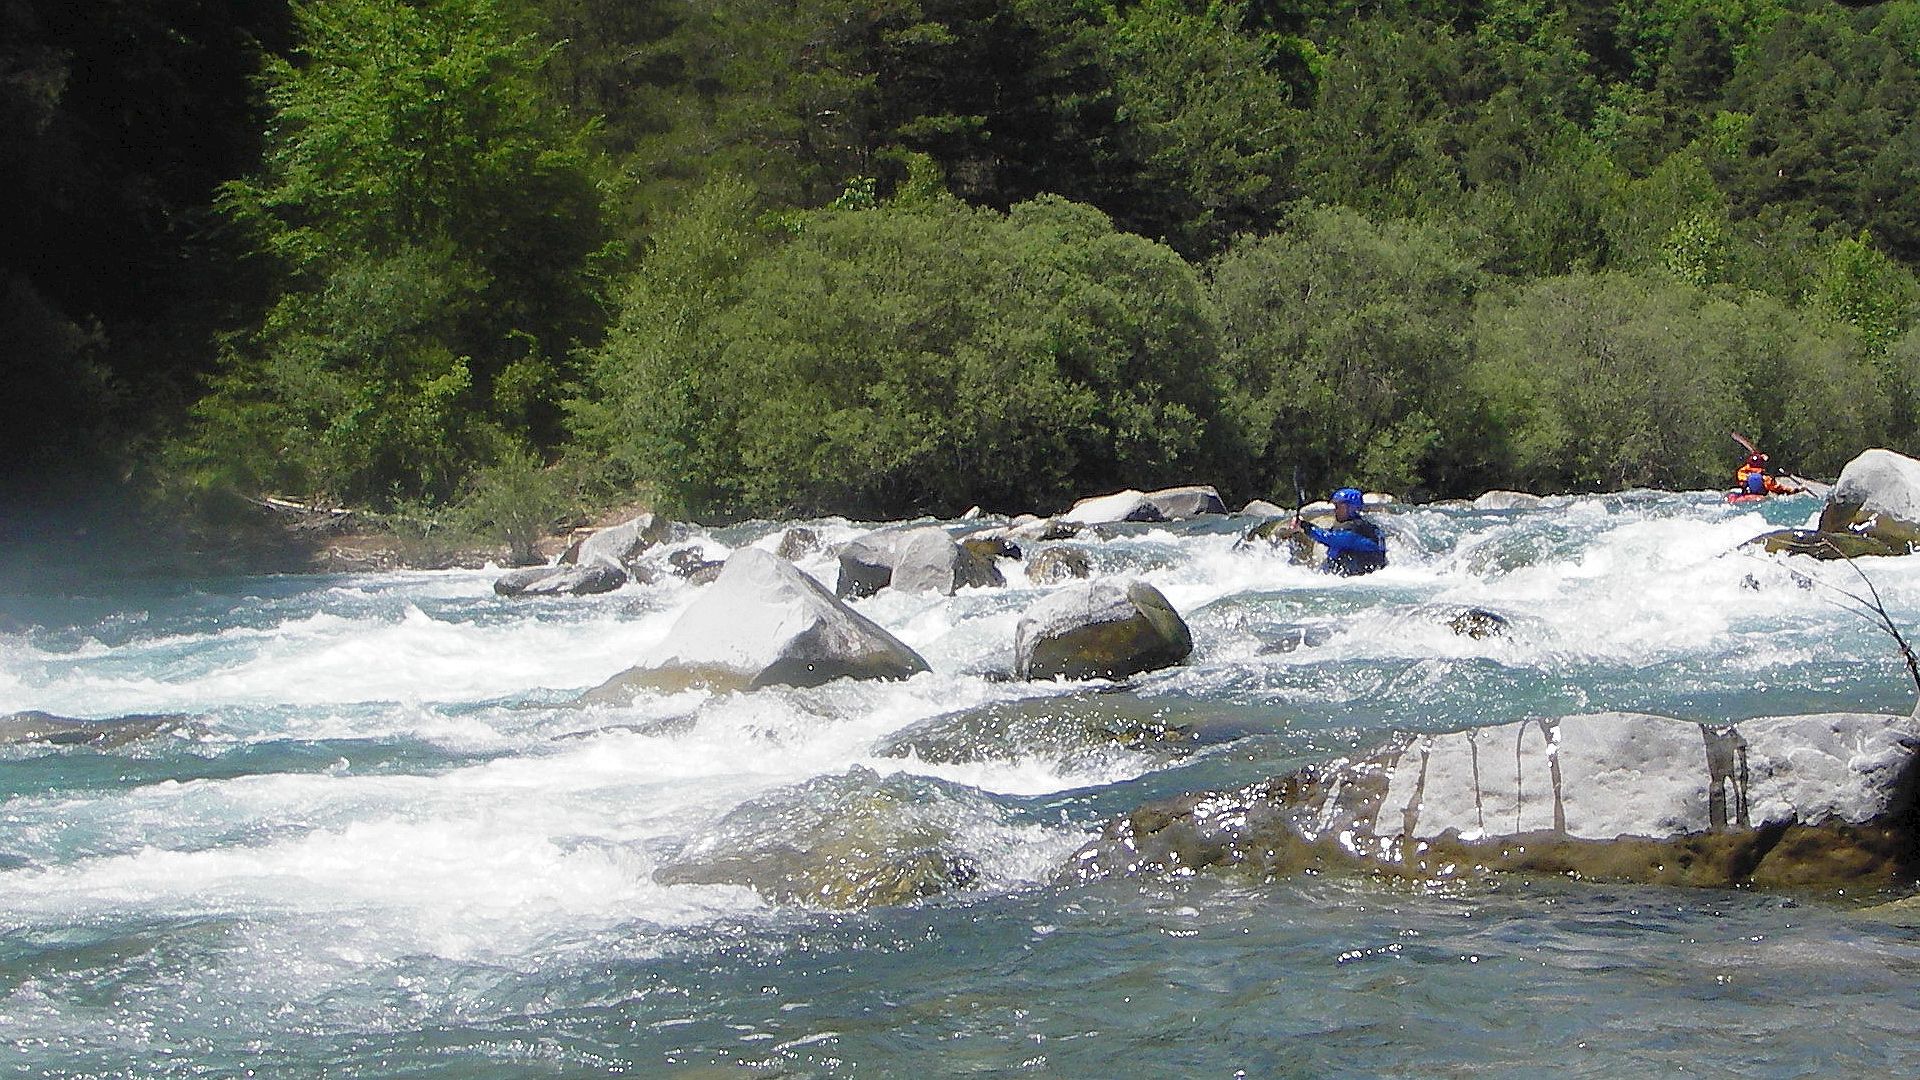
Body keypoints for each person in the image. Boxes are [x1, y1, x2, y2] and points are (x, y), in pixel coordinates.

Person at [1302, 487, 1387, 576]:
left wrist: (1304, 526)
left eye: (1338, 506)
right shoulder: (1353, 526)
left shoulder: (1357, 530)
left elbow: (1330, 538)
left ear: (1351, 508)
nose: (1335, 510)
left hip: (1360, 576)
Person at [1734, 452, 1804, 496]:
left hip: (1746, 495)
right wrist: (1793, 491)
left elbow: (1742, 481)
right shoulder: (1766, 478)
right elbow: (1778, 489)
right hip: (1759, 497)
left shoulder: (1741, 472)